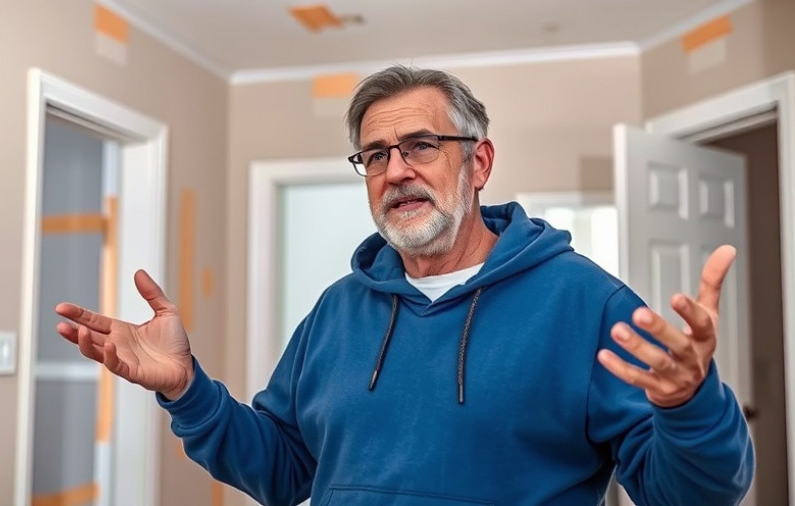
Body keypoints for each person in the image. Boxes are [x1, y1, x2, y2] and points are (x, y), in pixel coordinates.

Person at [56, 66, 754, 505]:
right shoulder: (337, 311)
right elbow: (284, 473)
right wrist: (186, 390)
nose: (395, 171)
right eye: (375, 155)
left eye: (421, 146)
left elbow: (694, 493)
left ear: (478, 162)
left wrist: (691, 405)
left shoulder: (586, 303)